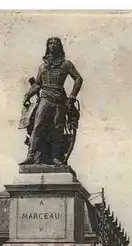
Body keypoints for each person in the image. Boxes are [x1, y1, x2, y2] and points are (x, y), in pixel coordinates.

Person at [19, 37, 83, 166]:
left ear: (60, 46)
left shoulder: (66, 64)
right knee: (37, 126)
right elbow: (38, 84)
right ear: (47, 46)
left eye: (56, 43)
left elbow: (78, 79)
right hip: (45, 98)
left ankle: (55, 157)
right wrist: (27, 95)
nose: (53, 45)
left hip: (59, 99)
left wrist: (72, 96)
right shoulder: (42, 66)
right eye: (50, 43)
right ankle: (31, 156)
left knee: (57, 128)